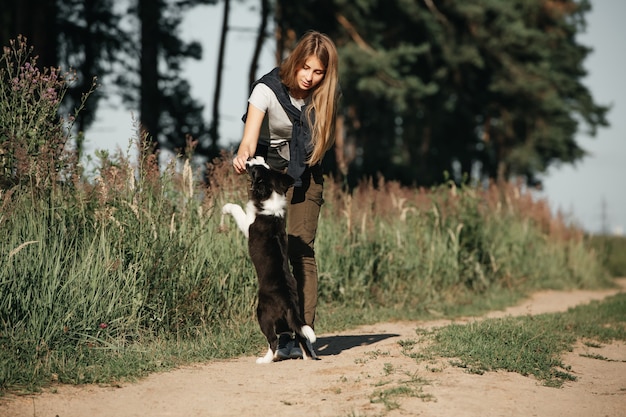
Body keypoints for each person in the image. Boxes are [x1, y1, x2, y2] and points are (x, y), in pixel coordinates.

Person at [232, 30, 339, 360]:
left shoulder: (325, 97)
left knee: (299, 245)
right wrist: (243, 156)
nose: (310, 77)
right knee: (272, 249)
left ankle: (303, 331)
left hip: (306, 174)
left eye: (318, 71)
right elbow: (249, 139)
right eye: (305, 68)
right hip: (273, 176)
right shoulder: (267, 89)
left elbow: (321, 146)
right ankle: (282, 337)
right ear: (295, 62)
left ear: (326, 73)